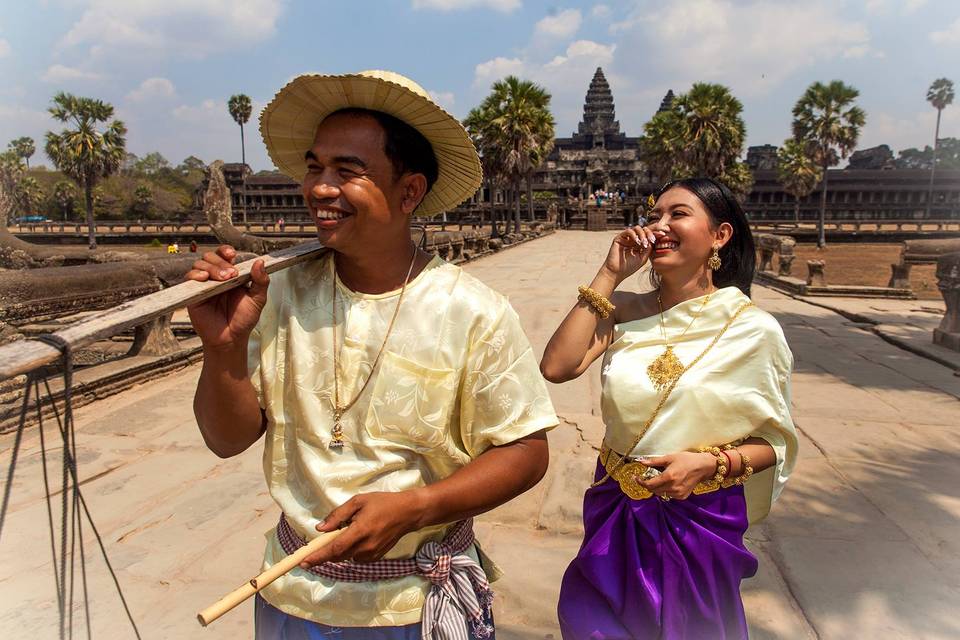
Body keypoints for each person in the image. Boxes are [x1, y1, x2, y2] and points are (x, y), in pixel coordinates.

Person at [185, 70, 558, 639]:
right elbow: (226, 438)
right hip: (294, 594)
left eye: (348, 171)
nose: (319, 188)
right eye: (315, 167)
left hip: (414, 603)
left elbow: (528, 451)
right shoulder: (278, 294)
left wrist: (418, 507)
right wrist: (224, 348)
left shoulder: (473, 311)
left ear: (409, 191)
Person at [541, 177, 797, 639]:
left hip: (697, 517)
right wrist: (609, 272)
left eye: (677, 214)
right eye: (654, 215)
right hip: (615, 505)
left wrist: (708, 464)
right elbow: (558, 366)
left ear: (719, 236)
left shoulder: (753, 330)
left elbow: (774, 444)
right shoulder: (623, 309)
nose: (659, 226)